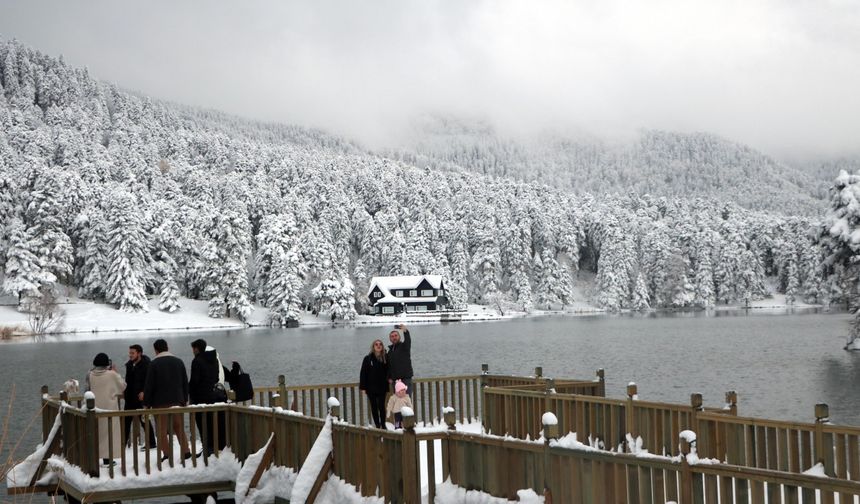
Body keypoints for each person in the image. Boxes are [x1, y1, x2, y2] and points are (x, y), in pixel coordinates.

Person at [143, 339, 191, 462]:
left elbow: (149, 386)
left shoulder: (154, 364)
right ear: (167, 347)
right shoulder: (178, 362)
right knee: (179, 427)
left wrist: (146, 404)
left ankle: (167, 454)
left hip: (159, 402)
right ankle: (186, 452)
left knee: (161, 430)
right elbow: (185, 382)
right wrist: (185, 399)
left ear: (156, 350)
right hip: (177, 400)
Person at [85, 352, 126, 465]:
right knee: (109, 434)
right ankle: (108, 459)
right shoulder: (111, 374)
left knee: (96, 432)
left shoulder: (90, 374)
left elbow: (86, 389)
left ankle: (94, 457)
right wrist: (115, 371)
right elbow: (123, 386)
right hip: (109, 408)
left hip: (94, 408)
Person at [189, 339, 227, 455]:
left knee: (202, 424)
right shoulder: (214, 360)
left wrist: (189, 391)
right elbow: (216, 378)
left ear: (196, 349)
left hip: (200, 398)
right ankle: (215, 446)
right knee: (212, 423)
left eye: (193, 349)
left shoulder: (197, 361)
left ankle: (207, 447)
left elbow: (195, 380)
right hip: (212, 396)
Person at [124, 344, 156, 450]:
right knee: (126, 422)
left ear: (139, 353)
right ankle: (122, 445)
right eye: (130, 353)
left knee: (144, 420)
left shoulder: (147, 364)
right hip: (129, 398)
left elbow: (150, 381)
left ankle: (151, 443)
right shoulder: (129, 365)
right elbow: (127, 381)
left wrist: (144, 392)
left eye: (132, 353)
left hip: (141, 398)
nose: (130, 355)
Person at [359, 339, 389, 429]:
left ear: (382, 347)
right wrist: (363, 387)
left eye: (380, 344)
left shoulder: (385, 357)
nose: (378, 346)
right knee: (374, 407)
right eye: (376, 344)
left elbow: (389, 371)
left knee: (381, 406)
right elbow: (363, 373)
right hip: (370, 387)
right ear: (373, 347)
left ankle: (383, 424)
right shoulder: (367, 358)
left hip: (382, 387)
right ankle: (377, 425)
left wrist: (390, 379)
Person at [387, 324, 413, 396]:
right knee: (398, 402)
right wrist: (389, 377)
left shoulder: (404, 347)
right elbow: (389, 366)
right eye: (392, 336)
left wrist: (405, 331)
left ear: (399, 337)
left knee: (406, 401)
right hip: (395, 381)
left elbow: (408, 340)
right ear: (390, 339)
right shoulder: (390, 352)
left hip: (406, 379)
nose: (394, 338)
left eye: (396, 335)